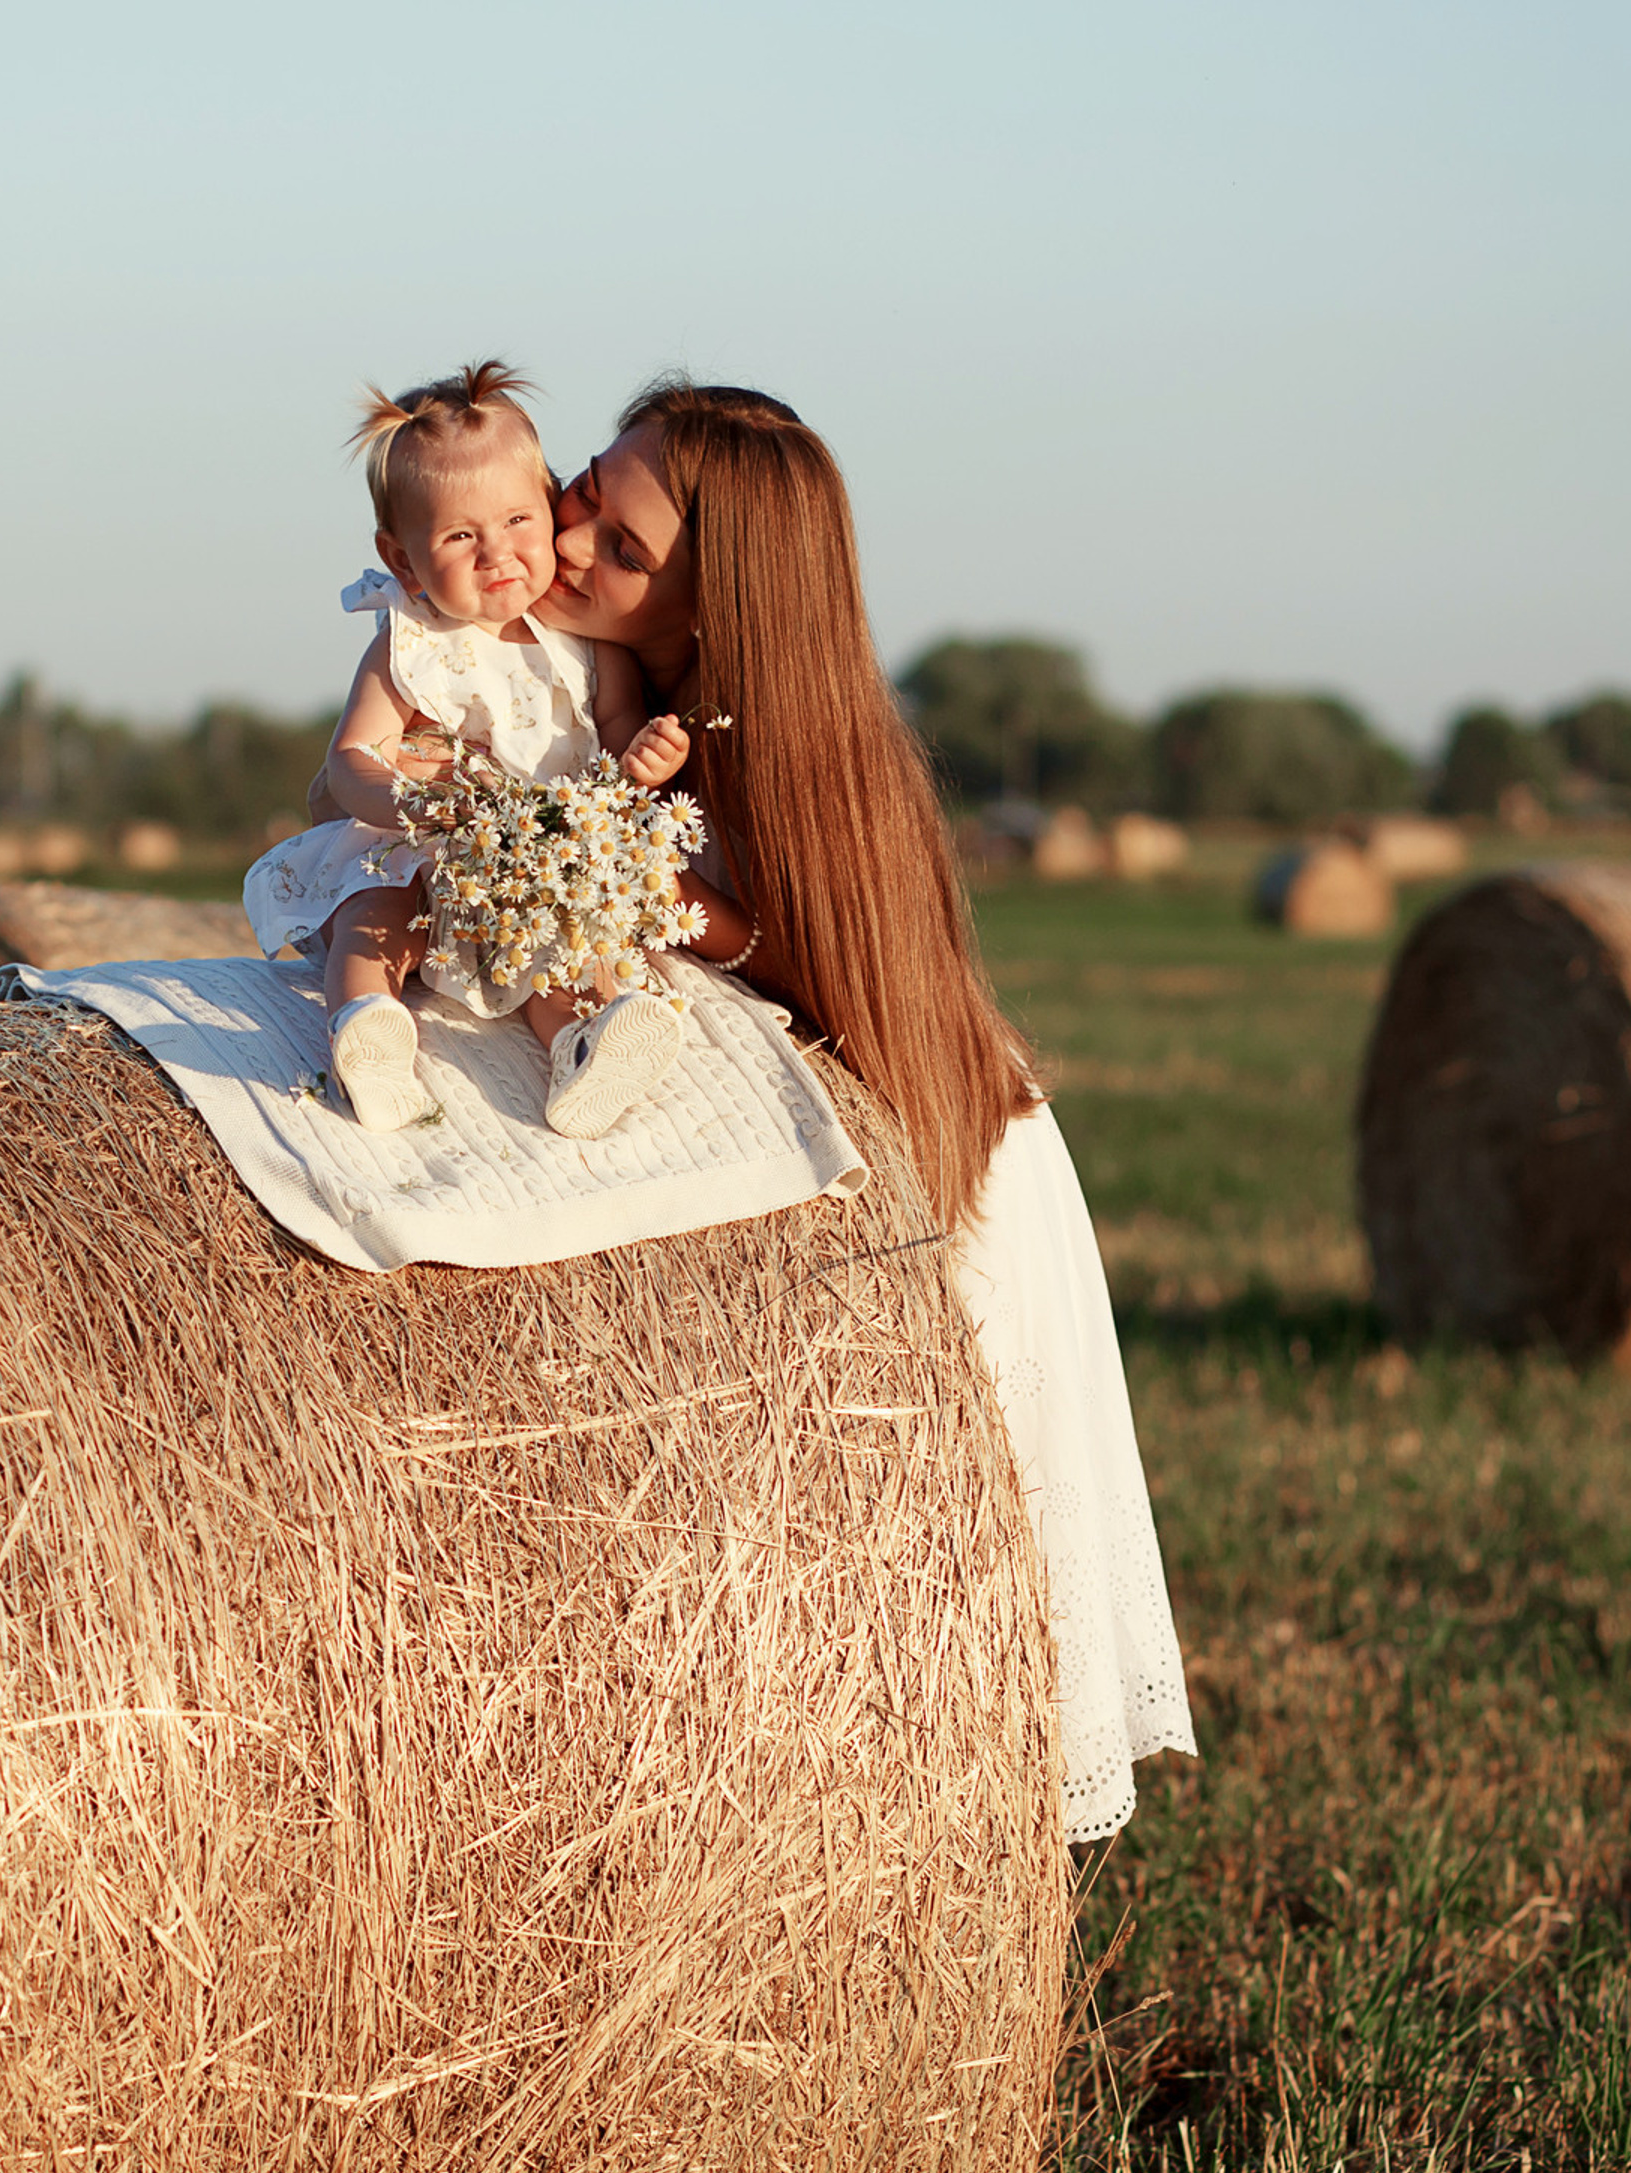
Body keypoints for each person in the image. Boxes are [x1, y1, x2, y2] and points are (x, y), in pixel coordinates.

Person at [521, 376, 1194, 1841]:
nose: (568, 540)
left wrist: (667, 907)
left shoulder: (809, 749)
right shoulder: (617, 688)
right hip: (886, 1157)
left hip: (961, 1181)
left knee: (987, 1610)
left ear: (716, 605)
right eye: (585, 489)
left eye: (622, 553)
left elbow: (835, 979)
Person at [241, 363, 752, 1140]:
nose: (497, 553)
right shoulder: (410, 645)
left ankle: (588, 1046)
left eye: (519, 520)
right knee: (375, 913)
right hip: (425, 844)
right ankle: (367, 1025)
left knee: (564, 947)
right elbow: (353, 756)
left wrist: (643, 762)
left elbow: (613, 752)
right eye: (459, 535)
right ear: (404, 559)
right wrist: (409, 805)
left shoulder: (585, 647)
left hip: (529, 866)